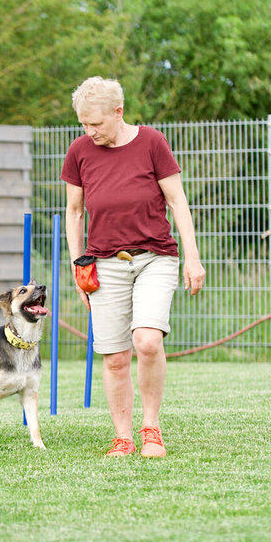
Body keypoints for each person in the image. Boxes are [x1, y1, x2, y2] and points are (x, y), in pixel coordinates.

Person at [61, 76, 205, 457]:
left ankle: (151, 429)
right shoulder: (79, 152)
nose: (90, 132)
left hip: (155, 257)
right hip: (103, 263)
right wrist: (78, 265)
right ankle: (122, 436)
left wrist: (192, 258)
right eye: (84, 124)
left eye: (97, 124)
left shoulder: (152, 143)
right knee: (115, 357)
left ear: (118, 112)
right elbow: (74, 212)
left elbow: (178, 202)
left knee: (147, 340)